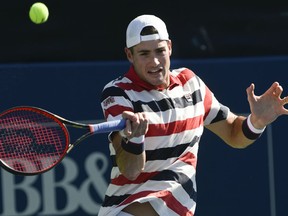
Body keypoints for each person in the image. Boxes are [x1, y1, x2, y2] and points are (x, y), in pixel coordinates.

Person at [98, 14, 288, 216]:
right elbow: (130, 170)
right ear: (129, 55)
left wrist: (256, 122)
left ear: (169, 47)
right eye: (144, 53)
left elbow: (234, 134)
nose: (154, 62)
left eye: (160, 51)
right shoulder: (118, 93)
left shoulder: (191, 84)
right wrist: (135, 138)